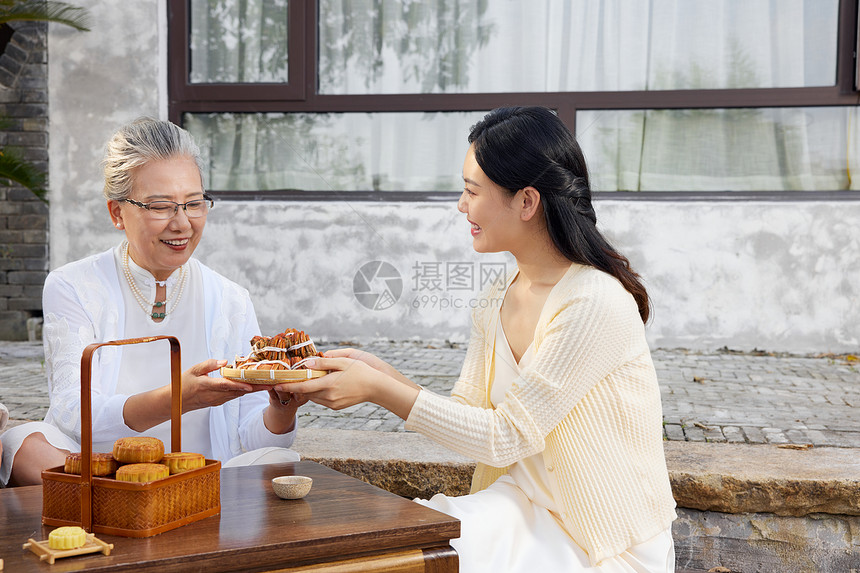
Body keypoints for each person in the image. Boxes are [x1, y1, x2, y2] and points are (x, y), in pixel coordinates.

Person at [282, 107, 677, 572]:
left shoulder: (593, 302)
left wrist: (378, 391)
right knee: (398, 547)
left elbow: (505, 436)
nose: (461, 206)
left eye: (472, 191)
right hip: (520, 510)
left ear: (526, 201)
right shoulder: (498, 295)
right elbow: (472, 415)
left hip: (600, 541)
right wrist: (379, 374)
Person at [0, 118, 302, 487]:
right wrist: (179, 398)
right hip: (101, 472)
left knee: (280, 459)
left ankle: (141, 507)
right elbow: (71, 414)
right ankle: (136, 501)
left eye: (193, 204)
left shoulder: (230, 299)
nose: (182, 224)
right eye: (161, 207)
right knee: (24, 444)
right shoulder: (73, 285)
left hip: (202, 475)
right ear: (116, 213)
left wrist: (282, 407)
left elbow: (254, 438)